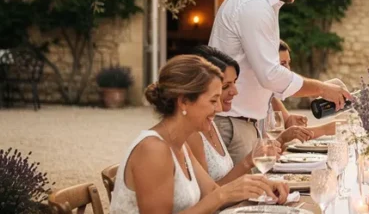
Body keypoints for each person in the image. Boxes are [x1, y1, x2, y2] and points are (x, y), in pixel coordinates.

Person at [208, 0, 351, 163]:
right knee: (241, 198)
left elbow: (260, 73)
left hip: (246, 124)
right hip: (233, 126)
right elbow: (270, 75)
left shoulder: (263, 3)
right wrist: (322, 89)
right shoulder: (254, 4)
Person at [109, 55, 289, 213]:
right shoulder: (153, 150)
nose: (218, 108)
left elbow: (211, 192)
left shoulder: (181, 145)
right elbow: (217, 196)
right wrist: (223, 195)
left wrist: (257, 185)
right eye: (213, 100)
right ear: (184, 102)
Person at [186, 45, 293, 185]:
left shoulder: (210, 124)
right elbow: (209, 196)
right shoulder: (191, 134)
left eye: (235, 83)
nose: (235, 91)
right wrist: (248, 162)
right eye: (226, 86)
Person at [271, 40, 337, 139]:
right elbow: (268, 142)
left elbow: (293, 129)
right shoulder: (260, 95)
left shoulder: (271, 96)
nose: (288, 69)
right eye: (283, 64)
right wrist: (328, 128)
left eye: (288, 63)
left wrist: (289, 121)